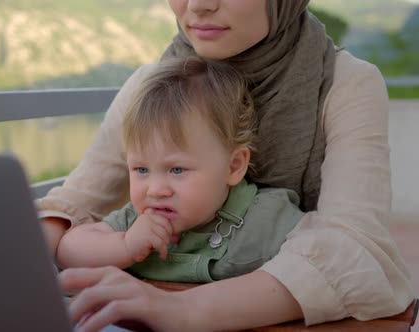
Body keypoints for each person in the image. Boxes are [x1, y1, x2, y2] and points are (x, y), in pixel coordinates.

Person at [37, 0, 415, 331]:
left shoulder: (347, 84)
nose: (198, 5)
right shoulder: (153, 87)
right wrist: (18, 278)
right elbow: (74, 206)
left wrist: (180, 310)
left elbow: (354, 250)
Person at [56, 56, 304, 286]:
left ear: (233, 166)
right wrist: (125, 246)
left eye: (176, 169)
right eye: (141, 169)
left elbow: (322, 256)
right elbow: (68, 250)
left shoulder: (265, 218)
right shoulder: (135, 221)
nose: (155, 190)